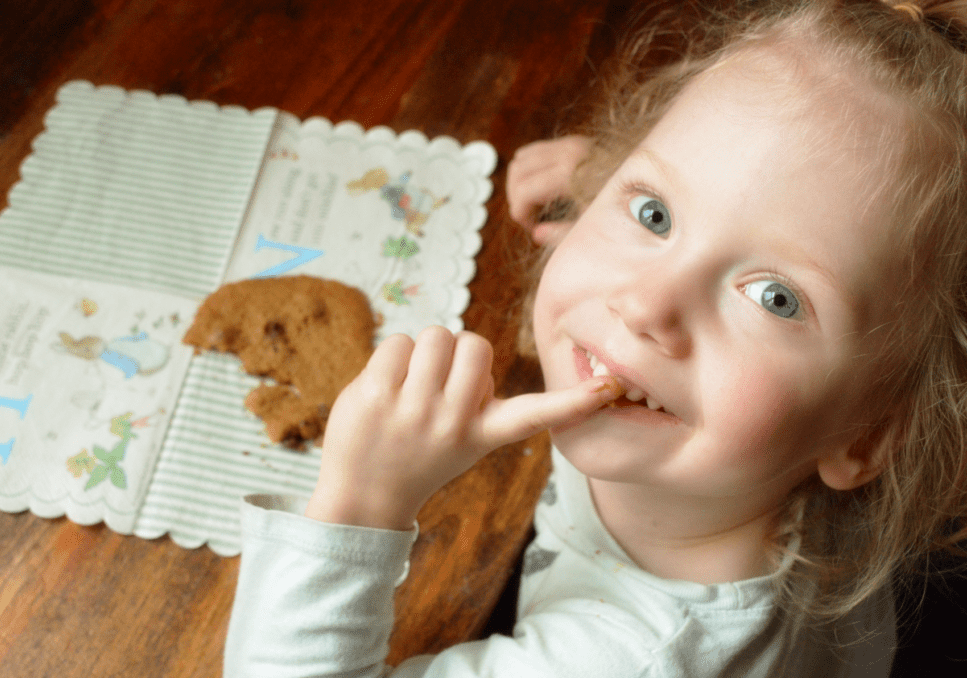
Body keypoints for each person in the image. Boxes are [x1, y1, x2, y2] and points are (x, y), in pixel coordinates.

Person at [224, 0, 967, 675]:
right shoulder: (749, 450)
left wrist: (362, 502)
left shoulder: (629, 658)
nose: (646, 303)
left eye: (775, 297)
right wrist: (624, 178)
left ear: (869, 436)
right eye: (653, 215)